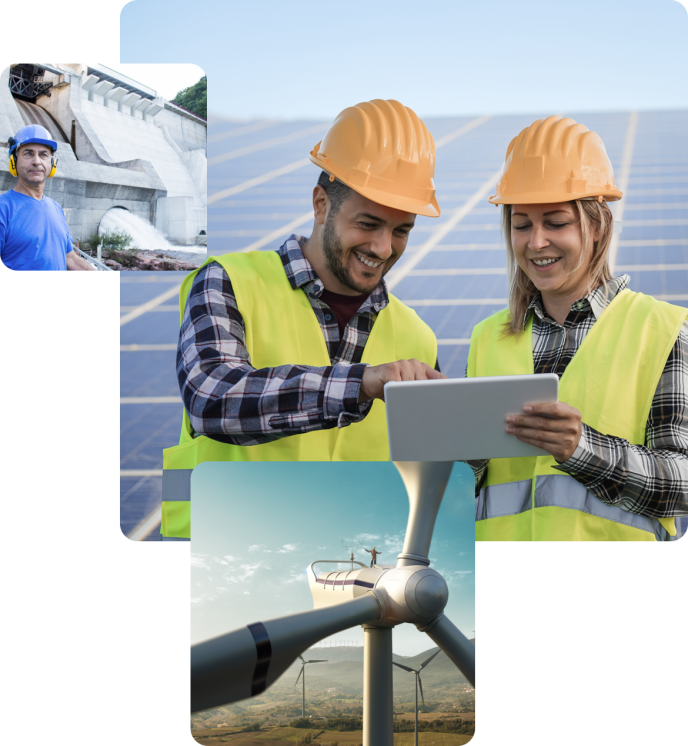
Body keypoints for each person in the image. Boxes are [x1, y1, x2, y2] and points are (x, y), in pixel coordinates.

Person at [160, 99, 446, 541]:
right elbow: (211, 398)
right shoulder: (229, 281)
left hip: (347, 575)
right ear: (320, 205)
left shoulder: (417, 337)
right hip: (224, 568)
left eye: (402, 230)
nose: (384, 247)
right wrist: (362, 383)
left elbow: (421, 478)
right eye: (368, 223)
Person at [466, 115, 687, 543]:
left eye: (556, 222)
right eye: (522, 224)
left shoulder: (663, 331)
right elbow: (469, 491)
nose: (536, 242)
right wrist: (459, 457)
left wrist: (581, 449)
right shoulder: (486, 337)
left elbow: (681, 485)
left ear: (598, 225)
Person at [0, 124, 96, 271]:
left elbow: (69, 258)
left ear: (52, 163)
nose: (37, 161)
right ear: (14, 160)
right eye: (28, 153)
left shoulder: (56, 208)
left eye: (43, 154)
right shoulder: (3, 209)